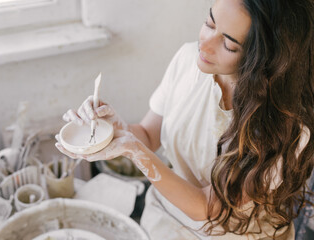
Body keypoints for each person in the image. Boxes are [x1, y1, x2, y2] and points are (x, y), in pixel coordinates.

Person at [55, 0, 314, 239]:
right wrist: (113, 129)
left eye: (229, 45)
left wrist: (135, 151)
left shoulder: (284, 126)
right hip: (165, 218)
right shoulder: (187, 60)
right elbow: (148, 135)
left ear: (264, 60)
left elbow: (207, 208)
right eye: (209, 23)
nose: (205, 43)